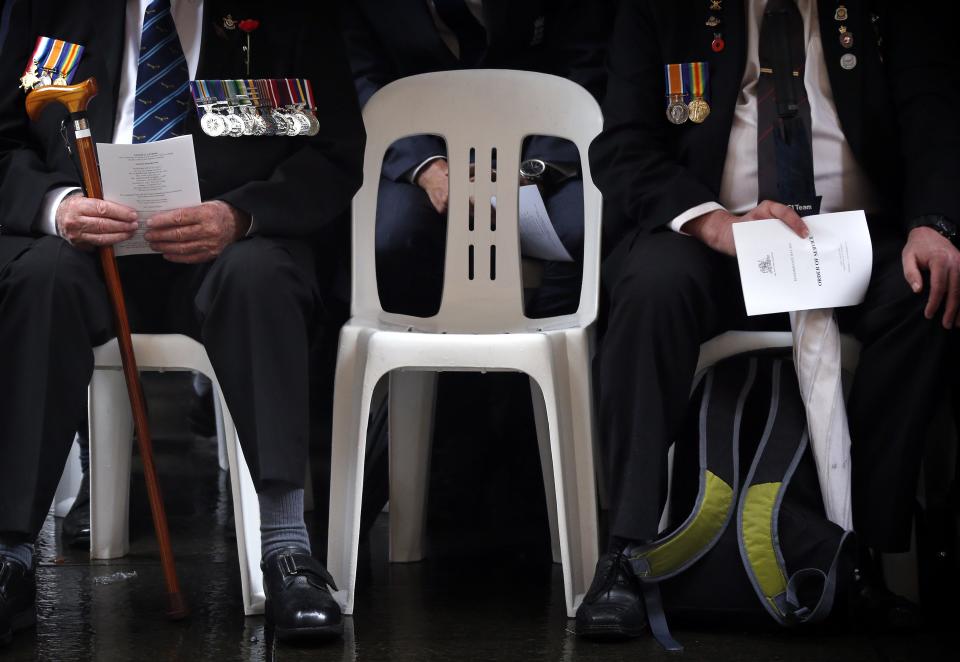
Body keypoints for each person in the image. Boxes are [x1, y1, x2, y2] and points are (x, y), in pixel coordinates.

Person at [577, 0, 959, 638]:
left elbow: (934, 111)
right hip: (716, 238)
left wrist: (934, 223)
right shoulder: (660, 10)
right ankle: (626, 550)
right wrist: (715, 223)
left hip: (855, 241)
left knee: (927, 290)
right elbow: (622, 147)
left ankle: (863, 551)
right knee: (651, 287)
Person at [0, 0, 364, 646]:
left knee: (261, 279)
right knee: (40, 279)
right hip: (88, 245)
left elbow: (335, 154)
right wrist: (56, 207)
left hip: (225, 244)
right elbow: (4, 140)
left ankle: (286, 549)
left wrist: (240, 215)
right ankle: (12, 555)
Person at [340, 0, 610, 318]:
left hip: (539, 147)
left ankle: (541, 352)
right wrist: (428, 168)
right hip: (417, 149)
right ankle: (426, 360)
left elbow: (582, 67)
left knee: (584, 229)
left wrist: (531, 171)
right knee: (393, 238)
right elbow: (364, 81)